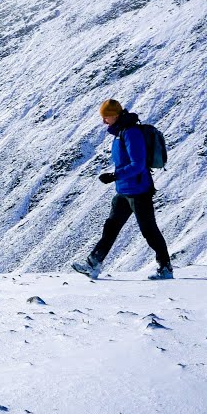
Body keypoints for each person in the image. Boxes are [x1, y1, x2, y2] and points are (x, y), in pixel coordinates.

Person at [73, 99, 174, 280]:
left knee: (149, 231)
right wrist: (116, 178)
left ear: (116, 115)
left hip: (139, 191)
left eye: (106, 117)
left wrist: (114, 176)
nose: (104, 121)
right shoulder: (120, 133)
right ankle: (93, 264)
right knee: (110, 228)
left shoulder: (131, 133)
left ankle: (165, 268)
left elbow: (138, 164)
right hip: (124, 191)